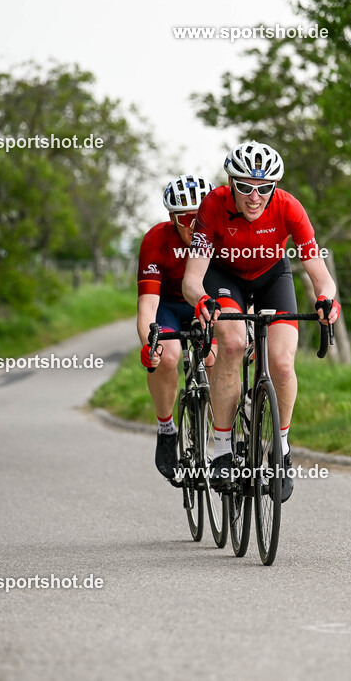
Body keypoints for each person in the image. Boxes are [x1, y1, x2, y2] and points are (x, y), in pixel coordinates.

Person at [182, 141, 340, 501]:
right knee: (234, 343)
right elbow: (191, 280)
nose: (255, 197)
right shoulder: (213, 206)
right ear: (231, 183)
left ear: (275, 188)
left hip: (273, 277)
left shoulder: (289, 208)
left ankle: (280, 449)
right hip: (225, 278)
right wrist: (203, 300)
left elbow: (321, 274)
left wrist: (326, 300)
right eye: (246, 187)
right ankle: (221, 446)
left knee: (282, 365)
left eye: (264, 188)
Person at [136, 174, 215, 480]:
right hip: (168, 306)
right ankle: (166, 429)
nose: (194, 227)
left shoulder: (216, 236)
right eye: (186, 219)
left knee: (213, 358)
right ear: (172, 218)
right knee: (167, 356)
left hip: (204, 306)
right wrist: (149, 345)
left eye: (200, 218)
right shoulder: (156, 239)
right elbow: (147, 306)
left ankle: (216, 430)